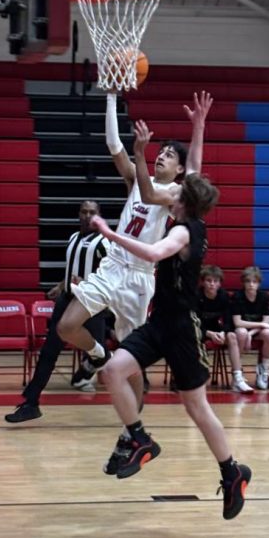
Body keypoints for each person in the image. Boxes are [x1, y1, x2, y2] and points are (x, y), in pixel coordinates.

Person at [56, 93, 211, 468]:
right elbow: (113, 145)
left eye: (169, 155)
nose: (161, 156)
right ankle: (96, 354)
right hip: (113, 266)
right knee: (66, 326)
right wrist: (110, 97)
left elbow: (168, 180)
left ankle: (133, 431)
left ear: (177, 172)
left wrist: (196, 129)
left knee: (133, 362)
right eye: (159, 153)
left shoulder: (172, 193)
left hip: (140, 280)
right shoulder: (136, 179)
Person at [89, 167, 251, 519]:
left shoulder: (182, 231)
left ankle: (232, 471)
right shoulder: (187, 218)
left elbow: (152, 254)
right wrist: (199, 126)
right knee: (113, 371)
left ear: (182, 201)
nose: (170, 193)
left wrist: (108, 233)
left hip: (181, 330)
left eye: (176, 192)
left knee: (197, 407)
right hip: (159, 321)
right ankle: (139, 439)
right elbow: (193, 168)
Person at [4, 200, 111, 423]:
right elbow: (71, 270)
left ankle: (86, 374)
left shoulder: (103, 243)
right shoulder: (73, 238)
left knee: (99, 354)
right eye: (84, 211)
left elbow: (113, 275)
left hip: (91, 303)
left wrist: (88, 282)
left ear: (99, 216)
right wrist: (61, 285)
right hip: (68, 300)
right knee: (49, 352)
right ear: (79, 213)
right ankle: (31, 403)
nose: (87, 215)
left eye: (92, 212)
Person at [199, 265, 248, 393]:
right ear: (203, 282)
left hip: (216, 329)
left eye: (215, 281)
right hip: (198, 329)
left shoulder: (223, 296)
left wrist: (222, 332)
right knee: (189, 337)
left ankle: (237, 377)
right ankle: (196, 377)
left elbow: (228, 320)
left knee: (232, 336)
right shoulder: (196, 296)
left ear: (220, 283)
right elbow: (192, 321)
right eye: (209, 280)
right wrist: (209, 334)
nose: (212, 284)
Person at [231, 265, 269, 390]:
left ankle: (264, 369)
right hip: (242, 330)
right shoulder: (237, 296)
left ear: (259, 283)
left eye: (254, 282)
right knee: (241, 332)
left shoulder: (264, 297)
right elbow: (238, 322)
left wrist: (251, 334)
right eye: (248, 281)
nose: (251, 284)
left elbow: (266, 322)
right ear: (243, 283)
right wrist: (256, 327)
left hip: (256, 331)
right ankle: (237, 373)